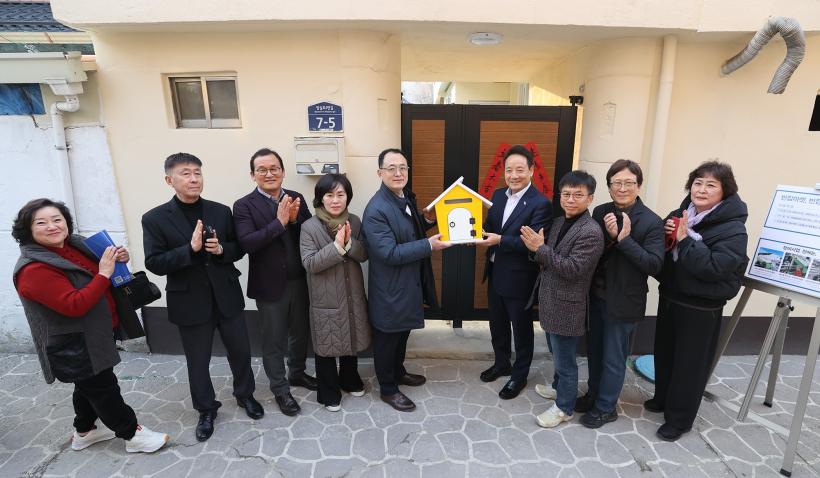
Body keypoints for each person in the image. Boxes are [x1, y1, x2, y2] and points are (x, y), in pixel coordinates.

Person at [12, 198, 168, 453]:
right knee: (103, 388)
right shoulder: (33, 270)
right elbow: (74, 304)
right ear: (27, 230)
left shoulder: (76, 245)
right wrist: (104, 272)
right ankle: (132, 434)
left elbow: (101, 273)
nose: (52, 226)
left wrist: (119, 259)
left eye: (57, 219)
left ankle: (85, 431)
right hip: (74, 342)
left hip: (98, 330)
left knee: (86, 383)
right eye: (41, 223)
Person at [142, 153, 262, 442]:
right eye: (186, 173)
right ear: (169, 180)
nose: (194, 178)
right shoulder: (154, 218)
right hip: (190, 301)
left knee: (240, 352)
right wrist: (190, 249)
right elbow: (154, 262)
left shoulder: (220, 211)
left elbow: (238, 248)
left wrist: (221, 250)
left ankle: (245, 395)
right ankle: (206, 410)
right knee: (198, 361)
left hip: (226, 295)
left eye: (197, 172)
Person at [647, 161, 748, 442]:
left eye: (710, 185)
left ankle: (679, 420)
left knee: (689, 365)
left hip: (701, 307)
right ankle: (662, 398)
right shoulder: (680, 214)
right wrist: (665, 236)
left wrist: (685, 239)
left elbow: (715, 268)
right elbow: (660, 251)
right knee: (665, 354)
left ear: (725, 191)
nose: (701, 190)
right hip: (671, 296)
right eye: (697, 183)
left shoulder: (733, 229)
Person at [575, 160, 664, 429]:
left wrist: (624, 239)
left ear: (639, 185)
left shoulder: (651, 221)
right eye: (617, 183)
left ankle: (606, 408)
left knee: (614, 357)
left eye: (629, 183)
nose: (622, 188)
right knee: (594, 351)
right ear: (609, 186)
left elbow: (654, 265)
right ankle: (594, 394)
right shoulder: (601, 211)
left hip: (624, 301)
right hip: (596, 295)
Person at [362, 148, 451, 412]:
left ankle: (398, 372)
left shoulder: (404, 198)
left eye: (403, 167)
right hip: (390, 287)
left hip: (408, 283)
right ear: (379, 172)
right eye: (391, 168)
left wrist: (426, 220)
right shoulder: (376, 209)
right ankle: (388, 389)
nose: (398, 173)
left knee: (402, 333)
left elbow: (408, 231)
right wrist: (429, 245)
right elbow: (388, 252)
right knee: (388, 338)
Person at [232, 148, 317, 417]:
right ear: (253, 175)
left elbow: (310, 234)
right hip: (269, 285)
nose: (269, 174)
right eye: (262, 170)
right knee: (274, 339)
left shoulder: (296, 197)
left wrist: (294, 221)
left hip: (300, 279)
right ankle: (280, 389)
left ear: (282, 171)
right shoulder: (243, 205)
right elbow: (248, 243)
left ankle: (297, 373)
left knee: (300, 332)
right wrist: (280, 223)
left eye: (274, 168)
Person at [521, 170, 604, 428]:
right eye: (566, 194)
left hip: (568, 306)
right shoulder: (558, 222)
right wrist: (536, 250)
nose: (570, 199)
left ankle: (564, 408)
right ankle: (558, 388)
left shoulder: (591, 231)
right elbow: (546, 257)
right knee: (556, 354)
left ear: (590, 198)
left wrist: (540, 248)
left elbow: (572, 268)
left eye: (578, 195)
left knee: (566, 362)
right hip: (550, 300)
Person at [475, 145, 552, 400]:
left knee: (521, 329)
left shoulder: (540, 204)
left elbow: (532, 243)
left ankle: (519, 375)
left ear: (531, 170)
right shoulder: (498, 196)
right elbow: (489, 227)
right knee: (497, 323)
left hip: (520, 277)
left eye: (520, 169)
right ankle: (501, 363)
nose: (514, 175)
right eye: (509, 170)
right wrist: (472, 230)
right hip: (495, 271)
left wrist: (499, 240)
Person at [300, 173, 371, 412]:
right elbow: (310, 263)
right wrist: (337, 247)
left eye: (340, 194)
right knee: (327, 343)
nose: (335, 200)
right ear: (320, 198)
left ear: (348, 197)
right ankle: (328, 392)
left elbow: (364, 254)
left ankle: (349, 379)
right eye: (329, 195)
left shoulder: (355, 221)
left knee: (350, 337)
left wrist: (349, 244)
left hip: (352, 292)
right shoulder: (309, 227)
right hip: (325, 297)